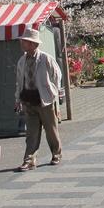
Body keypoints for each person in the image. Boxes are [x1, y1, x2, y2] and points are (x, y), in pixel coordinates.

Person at [14, 27, 63, 172]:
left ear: (34, 44)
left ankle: (56, 153)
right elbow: (19, 81)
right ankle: (29, 160)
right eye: (23, 41)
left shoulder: (45, 58)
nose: (22, 43)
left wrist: (54, 92)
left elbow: (57, 76)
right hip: (28, 99)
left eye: (26, 41)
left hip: (45, 100)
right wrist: (17, 98)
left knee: (51, 130)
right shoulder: (22, 61)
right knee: (31, 132)